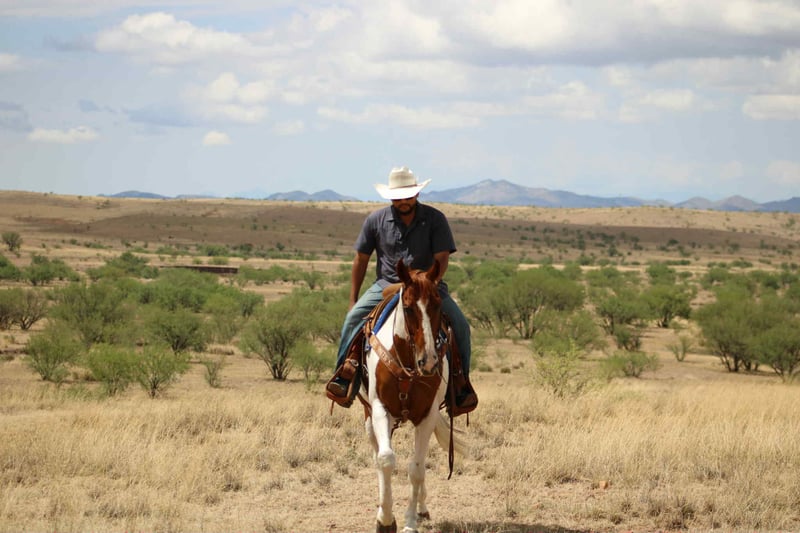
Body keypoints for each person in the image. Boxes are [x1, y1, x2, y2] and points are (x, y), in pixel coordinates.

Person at [326, 166, 477, 412]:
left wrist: (428, 283)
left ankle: (460, 385)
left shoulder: (435, 219)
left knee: (460, 325)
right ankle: (345, 375)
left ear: (416, 194)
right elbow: (361, 259)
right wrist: (353, 299)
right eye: (397, 197)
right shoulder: (375, 220)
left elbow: (442, 258)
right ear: (390, 197)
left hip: (427, 286)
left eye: (407, 196)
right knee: (353, 319)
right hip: (386, 285)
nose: (403, 201)